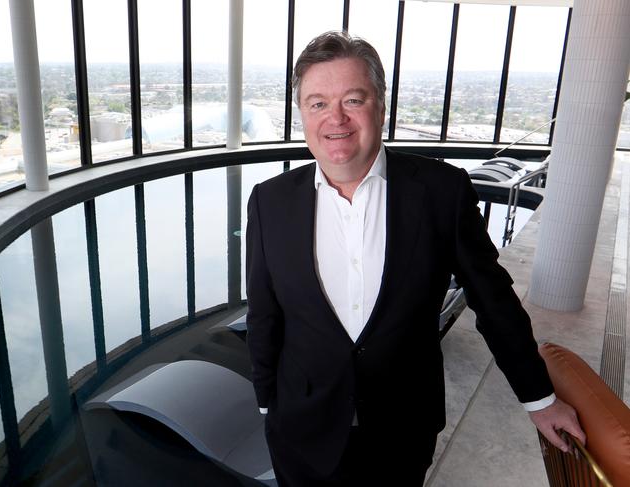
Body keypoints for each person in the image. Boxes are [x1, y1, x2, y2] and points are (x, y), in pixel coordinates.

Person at [245, 31, 585, 487]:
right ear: (303, 114)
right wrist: (268, 403)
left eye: (352, 99)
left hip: (402, 430)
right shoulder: (269, 202)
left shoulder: (441, 192)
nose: (336, 119)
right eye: (318, 103)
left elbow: (493, 299)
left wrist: (539, 399)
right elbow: (265, 314)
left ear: (380, 107)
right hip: (300, 428)